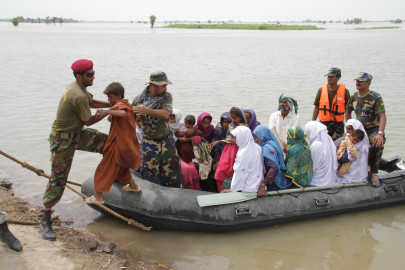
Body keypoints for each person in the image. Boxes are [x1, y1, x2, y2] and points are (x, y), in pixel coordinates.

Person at [41, 59, 111, 241]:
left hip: (76, 133)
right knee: (58, 178)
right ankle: (46, 218)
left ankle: (110, 181)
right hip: (63, 140)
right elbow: (89, 119)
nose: (93, 77)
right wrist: (107, 113)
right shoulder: (77, 95)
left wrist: (111, 105)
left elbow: (92, 102)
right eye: (89, 75)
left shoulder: (80, 89)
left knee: (107, 143)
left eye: (93, 73)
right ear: (79, 76)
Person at [85, 82, 141, 204]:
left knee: (103, 168)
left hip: (118, 144)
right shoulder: (124, 104)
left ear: (118, 95)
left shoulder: (122, 105)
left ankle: (98, 197)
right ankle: (133, 186)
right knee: (122, 166)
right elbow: (123, 117)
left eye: (110, 97)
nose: (109, 100)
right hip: (125, 144)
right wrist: (112, 115)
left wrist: (106, 112)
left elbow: (123, 113)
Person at [133, 71, 181, 187]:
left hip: (166, 141)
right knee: (149, 175)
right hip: (149, 143)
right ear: (153, 85)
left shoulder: (166, 96)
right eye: (163, 85)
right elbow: (131, 116)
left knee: (173, 173)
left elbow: (165, 114)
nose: (165, 88)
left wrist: (146, 111)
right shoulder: (139, 100)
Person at [345, 72, 386, 185]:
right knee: (344, 144)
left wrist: (380, 133)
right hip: (359, 129)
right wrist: (348, 129)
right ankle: (351, 171)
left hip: (373, 130)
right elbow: (347, 112)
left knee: (377, 144)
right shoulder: (353, 97)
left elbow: (382, 116)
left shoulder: (375, 97)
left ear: (368, 83)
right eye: (357, 80)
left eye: (361, 81)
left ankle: (372, 172)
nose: (357, 83)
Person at [212, 107, 248, 191]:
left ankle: (233, 190)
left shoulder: (245, 128)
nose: (233, 120)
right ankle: (221, 190)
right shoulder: (231, 125)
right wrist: (219, 142)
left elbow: (246, 141)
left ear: (241, 117)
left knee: (234, 172)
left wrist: (236, 141)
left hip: (238, 150)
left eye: (235, 118)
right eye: (232, 117)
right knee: (220, 172)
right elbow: (228, 138)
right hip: (228, 150)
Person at [221, 126, 264, 193]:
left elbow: (240, 173)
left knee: (226, 183)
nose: (232, 139)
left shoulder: (243, 154)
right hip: (257, 183)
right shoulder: (257, 147)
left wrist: (233, 190)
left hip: (249, 187)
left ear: (241, 137)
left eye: (235, 137)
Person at [312, 67, 350, 140]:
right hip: (324, 124)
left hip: (338, 125)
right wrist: (313, 123)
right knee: (323, 144)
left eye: (332, 77)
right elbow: (316, 108)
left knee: (337, 145)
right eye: (328, 76)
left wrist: (348, 126)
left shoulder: (345, 91)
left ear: (338, 78)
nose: (329, 78)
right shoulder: (321, 90)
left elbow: (348, 111)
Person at [253, 125, 291, 197]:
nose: (256, 139)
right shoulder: (273, 143)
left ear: (263, 136)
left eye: (257, 136)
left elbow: (274, 167)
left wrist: (263, 184)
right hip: (281, 178)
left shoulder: (267, 148)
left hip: (274, 182)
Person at [304, 121, 338, 186]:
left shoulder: (315, 146)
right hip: (329, 177)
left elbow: (313, 165)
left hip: (318, 179)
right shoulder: (328, 140)